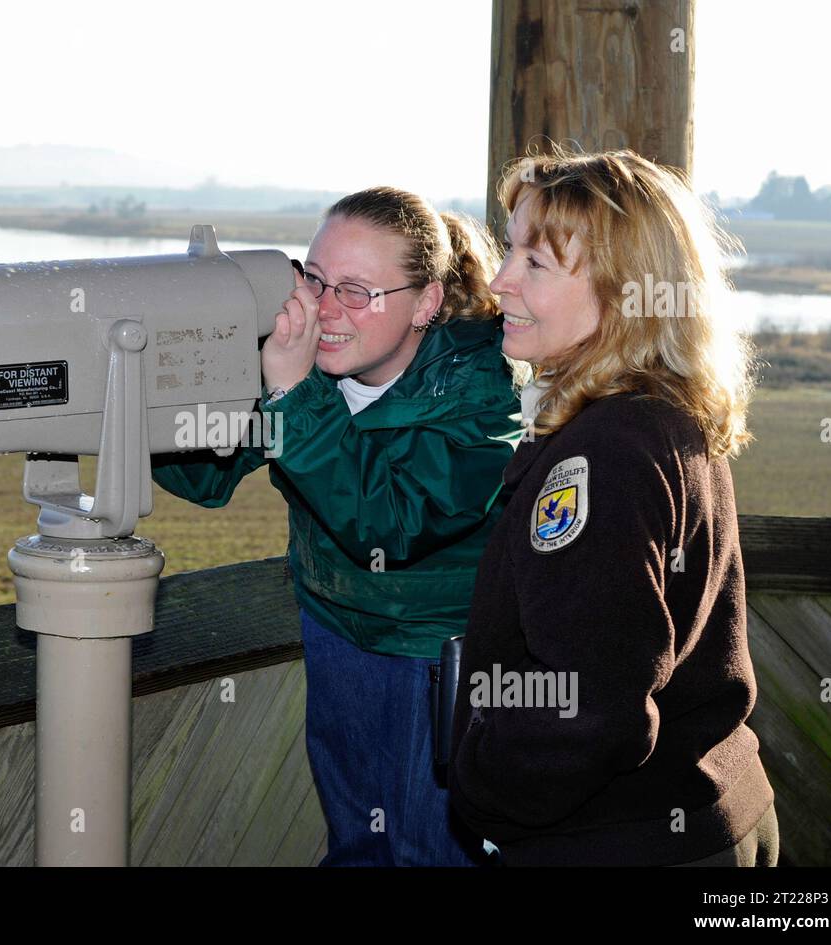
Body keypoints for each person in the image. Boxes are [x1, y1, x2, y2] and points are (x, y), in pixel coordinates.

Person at [151, 187, 523, 866]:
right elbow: (202, 476)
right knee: (359, 847)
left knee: (429, 853)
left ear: (428, 302)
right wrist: (164, 381)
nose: (324, 309)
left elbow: (391, 523)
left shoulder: (484, 392)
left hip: (437, 659)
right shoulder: (305, 361)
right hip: (335, 632)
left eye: (356, 291)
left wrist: (294, 395)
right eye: (314, 279)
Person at [448, 147, 778, 866]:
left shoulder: (601, 456)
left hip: (622, 842)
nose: (500, 284)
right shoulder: (663, 413)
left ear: (627, 290)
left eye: (535, 265)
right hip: (712, 809)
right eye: (511, 254)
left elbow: (592, 706)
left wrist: (487, 795)